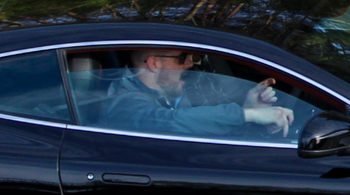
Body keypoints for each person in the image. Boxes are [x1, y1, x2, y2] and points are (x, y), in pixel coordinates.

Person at [87, 48, 300, 140]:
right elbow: (170, 123)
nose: (190, 63)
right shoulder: (124, 102)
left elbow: (199, 129)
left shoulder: (167, 94)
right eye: (182, 57)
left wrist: (249, 111)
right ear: (154, 63)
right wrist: (247, 115)